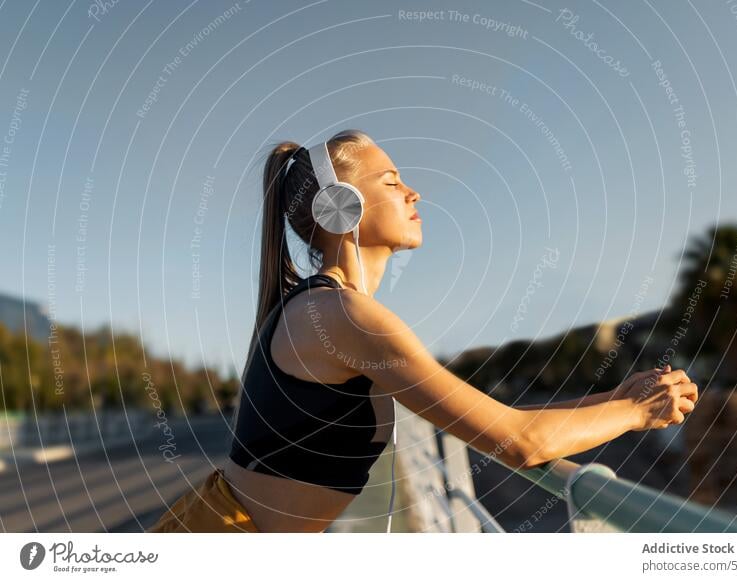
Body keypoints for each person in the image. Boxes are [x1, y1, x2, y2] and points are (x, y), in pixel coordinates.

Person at [148, 129, 698, 533]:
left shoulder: (329, 309)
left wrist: (615, 397)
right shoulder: (343, 317)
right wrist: (637, 414)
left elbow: (494, 420)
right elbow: (522, 444)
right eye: (391, 181)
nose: (414, 194)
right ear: (340, 205)